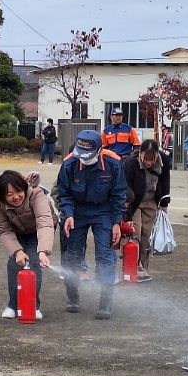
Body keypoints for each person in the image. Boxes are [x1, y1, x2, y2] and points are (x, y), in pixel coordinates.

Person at [56, 130, 126, 319]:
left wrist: (117, 222)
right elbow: (64, 193)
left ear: (99, 150)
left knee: (105, 255)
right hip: (77, 211)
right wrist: (68, 215)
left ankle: (105, 303)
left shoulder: (113, 162)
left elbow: (119, 194)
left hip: (103, 211)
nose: (84, 159)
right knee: (73, 254)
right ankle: (73, 298)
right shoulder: (69, 163)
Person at [0, 170, 55, 319]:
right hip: (17, 229)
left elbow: (45, 223)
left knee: (34, 261)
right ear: (2, 195)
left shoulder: (36, 194)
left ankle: (33, 306)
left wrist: (43, 251)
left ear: (24, 188)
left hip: (38, 230)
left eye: (18, 191)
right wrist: (17, 251)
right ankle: (13, 305)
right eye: (9, 194)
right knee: (14, 264)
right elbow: (3, 229)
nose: (15, 197)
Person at [123, 140, 171, 282]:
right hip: (135, 201)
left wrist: (164, 202)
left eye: (152, 159)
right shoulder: (130, 163)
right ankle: (134, 266)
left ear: (157, 155)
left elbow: (165, 181)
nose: (149, 163)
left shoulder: (164, 161)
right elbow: (126, 186)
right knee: (135, 232)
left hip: (152, 201)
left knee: (147, 234)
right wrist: (128, 211)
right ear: (140, 153)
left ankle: (144, 266)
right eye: (146, 159)